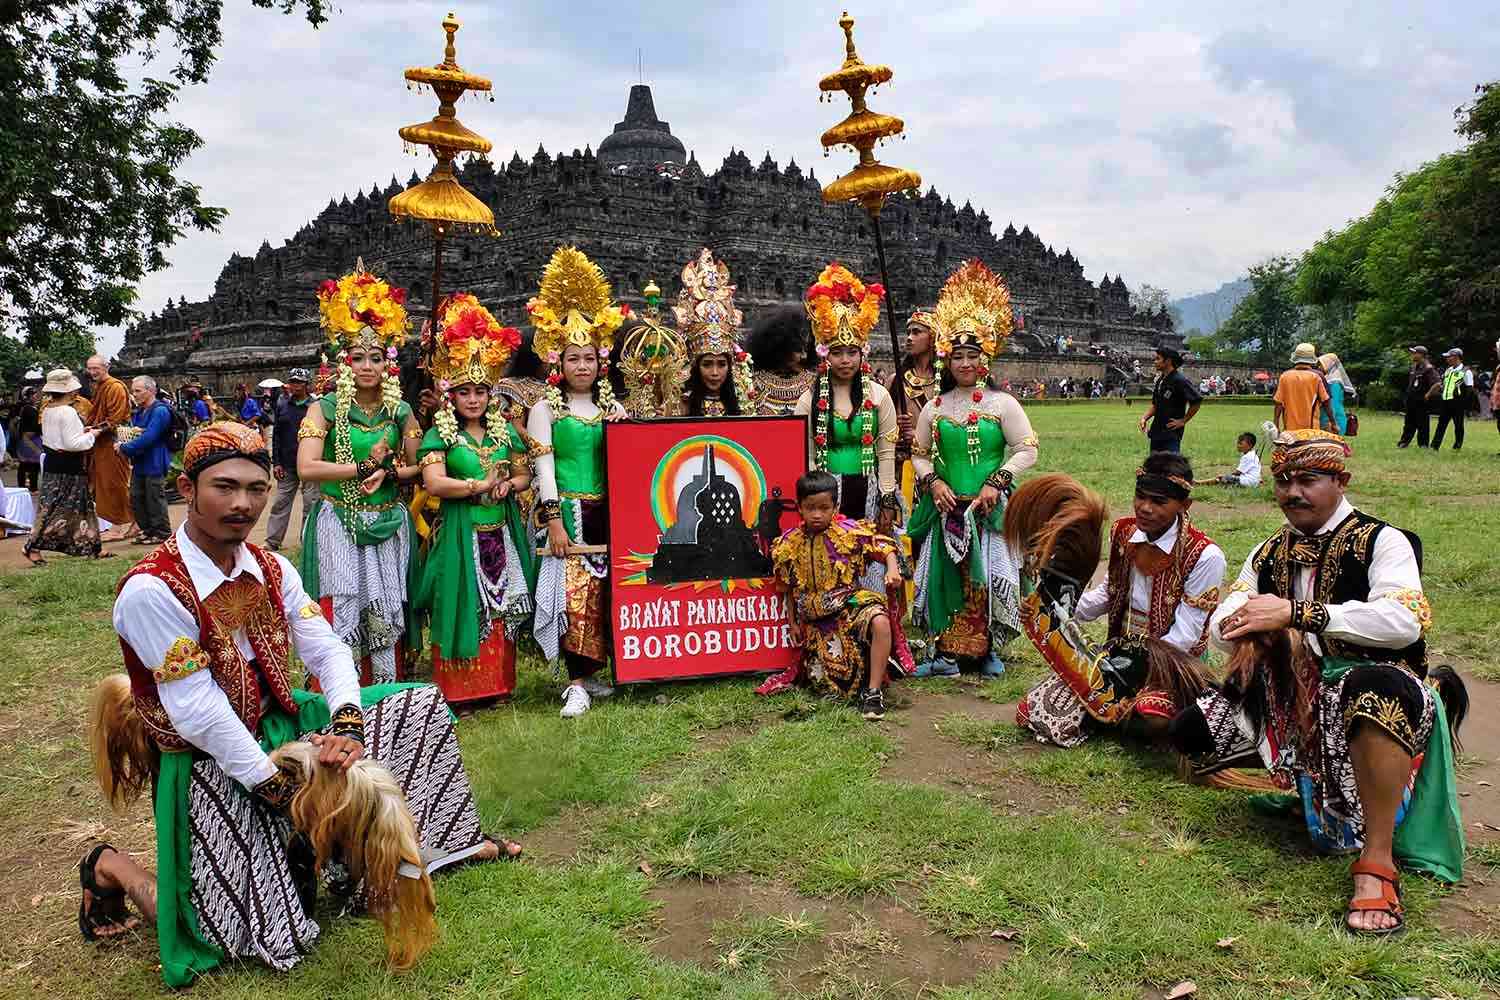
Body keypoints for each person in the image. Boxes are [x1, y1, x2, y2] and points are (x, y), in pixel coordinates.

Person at [80, 422, 514, 986]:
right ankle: (110, 867)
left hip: (281, 717)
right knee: (245, 935)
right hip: (209, 754)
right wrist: (277, 787)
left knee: (418, 702)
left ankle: (406, 857)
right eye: (224, 487)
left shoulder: (271, 566)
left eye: (257, 489)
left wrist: (347, 724)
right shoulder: (151, 589)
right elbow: (198, 712)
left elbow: (325, 646)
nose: (242, 504)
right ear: (187, 489)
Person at [1168, 429, 1466, 935]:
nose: (1292, 492)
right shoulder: (1268, 552)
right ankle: (1301, 779)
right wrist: (1251, 624)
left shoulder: (1382, 540)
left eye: (1308, 479)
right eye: (1283, 481)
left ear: (1341, 480)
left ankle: (1376, 864)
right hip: (1290, 693)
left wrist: (1298, 614)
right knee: (1191, 732)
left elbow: (1405, 621)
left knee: (1373, 691)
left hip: (1374, 691)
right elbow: (1222, 624)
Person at [1015, 454, 1224, 746]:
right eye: (1140, 496)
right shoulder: (1123, 531)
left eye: (1159, 502)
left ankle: (1124, 715)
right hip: (1115, 656)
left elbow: (1184, 637)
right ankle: (1114, 716)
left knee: (1152, 712)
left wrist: (1129, 673)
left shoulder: (1205, 555)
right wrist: (1060, 607)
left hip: (1170, 663)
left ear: (1184, 506)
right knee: (1035, 710)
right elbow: (1107, 594)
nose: (1145, 508)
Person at [909, 260, 1039, 677]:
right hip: (946, 505)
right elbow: (919, 452)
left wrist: (997, 483)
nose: (965, 364)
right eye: (958, 356)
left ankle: (987, 649)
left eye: (973, 356)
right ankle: (945, 652)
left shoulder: (1003, 405)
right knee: (945, 575)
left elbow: (1027, 448)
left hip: (989, 506)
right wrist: (932, 482)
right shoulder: (935, 407)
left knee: (989, 577)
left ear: (986, 359)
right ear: (947, 361)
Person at [297, 266, 424, 684]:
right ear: (343, 362)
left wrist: (390, 470)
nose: (367, 366)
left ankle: (386, 687)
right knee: (345, 602)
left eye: (375, 357)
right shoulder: (325, 408)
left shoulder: (400, 411)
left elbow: (415, 468)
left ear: (388, 361)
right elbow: (307, 467)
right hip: (340, 517)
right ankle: (345, 690)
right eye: (357, 358)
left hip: (387, 518)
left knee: (386, 603)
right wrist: (362, 467)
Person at [414, 293, 537, 704]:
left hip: (500, 531)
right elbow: (433, 483)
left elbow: (523, 475)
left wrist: (508, 486)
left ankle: (498, 685)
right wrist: (479, 486)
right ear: (452, 395)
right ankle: (460, 692)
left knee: (499, 609)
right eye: (464, 391)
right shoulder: (441, 434)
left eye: (480, 392)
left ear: (490, 394)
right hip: (459, 534)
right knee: (460, 602)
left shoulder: (504, 433)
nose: (473, 399)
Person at [526, 246, 629, 719]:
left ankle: (600, 672)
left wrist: (624, 424)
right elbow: (543, 468)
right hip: (567, 509)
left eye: (589, 357)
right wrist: (553, 521)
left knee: (609, 592)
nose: (582, 366)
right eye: (574, 358)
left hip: (610, 509)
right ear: (558, 363)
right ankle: (575, 681)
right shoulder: (546, 410)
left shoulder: (612, 409)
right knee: (574, 596)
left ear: (600, 361)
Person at [770, 470, 904, 721]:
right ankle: (871, 665)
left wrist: (893, 569)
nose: (817, 514)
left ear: (835, 506)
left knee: (880, 620)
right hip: (816, 619)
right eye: (810, 508)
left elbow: (884, 546)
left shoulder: (850, 532)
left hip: (850, 604)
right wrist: (792, 623)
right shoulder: (789, 543)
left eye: (824, 507)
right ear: (799, 507)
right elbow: (786, 588)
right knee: (827, 688)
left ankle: (874, 693)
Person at [793, 263, 901, 533]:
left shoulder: (878, 396)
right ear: (825, 355)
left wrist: (887, 497)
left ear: (862, 353)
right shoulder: (810, 399)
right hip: (823, 498)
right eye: (837, 352)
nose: (845, 360)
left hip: (869, 492)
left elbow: (886, 452)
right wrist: (816, 499)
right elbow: (804, 454)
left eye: (852, 352)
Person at [22, 370, 112, 565]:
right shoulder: (67, 411)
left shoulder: (48, 410)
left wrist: (83, 432)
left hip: (54, 463)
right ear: (69, 391)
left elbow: (60, 438)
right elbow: (74, 444)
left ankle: (92, 546)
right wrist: (93, 435)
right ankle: (31, 545)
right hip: (68, 465)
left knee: (61, 506)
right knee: (64, 508)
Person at [676, 248, 756, 417]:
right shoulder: (678, 405)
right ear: (694, 366)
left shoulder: (746, 404)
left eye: (721, 364)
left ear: (731, 365)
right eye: (707, 364)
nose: (714, 373)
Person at [263, 369, 317, 550]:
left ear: (307, 385)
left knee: (310, 504)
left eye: (299, 382)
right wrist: (276, 462)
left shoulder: (315, 406)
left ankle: (307, 541)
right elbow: (277, 434)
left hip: (310, 463)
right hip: (287, 463)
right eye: (292, 382)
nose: (295, 385)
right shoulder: (282, 404)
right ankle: (272, 541)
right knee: (281, 503)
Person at [84, 354, 136, 540]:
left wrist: (97, 430)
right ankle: (133, 523)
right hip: (101, 444)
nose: (92, 372)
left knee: (116, 484)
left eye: (95, 368)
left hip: (113, 443)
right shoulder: (99, 387)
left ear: (106, 367)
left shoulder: (115, 387)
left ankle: (117, 527)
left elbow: (116, 418)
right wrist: (92, 428)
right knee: (104, 484)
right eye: (89, 369)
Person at [118, 376, 174, 544]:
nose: (134, 394)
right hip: (141, 461)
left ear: (150, 391)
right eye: (133, 391)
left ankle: (162, 532)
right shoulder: (141, 411)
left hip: (155, 460)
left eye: (138, 391)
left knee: (154, 496)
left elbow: (150, 437)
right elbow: (139, 433)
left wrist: (124, 448)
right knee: (136, 496)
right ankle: (147, 530)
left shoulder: (160, 411)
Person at [748, 305, 816, 417]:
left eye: (806, 349)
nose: (804, 356)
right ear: (779, 349)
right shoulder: (753, 383)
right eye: (797, 350)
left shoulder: (816, 382)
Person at [1138, 345, 1201, 453]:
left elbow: (1196, 401)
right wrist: (1145, 418)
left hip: (1171, 432)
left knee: (1172, 465)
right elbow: (1155, 404)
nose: (1154, 361)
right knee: (1155, 465)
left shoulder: (1180, 380)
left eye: (1158, 358)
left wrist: (1183, 420)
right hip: (1157, 430)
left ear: (1168, 361)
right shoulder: (1160, 380)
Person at [1274, 343, 1332, 432]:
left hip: (1290, 429)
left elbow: (1279, 403)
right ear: (1311, 359)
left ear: (1296, 358)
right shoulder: (1317, 376)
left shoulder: (1285, 376)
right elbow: (1326, 402)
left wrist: (1276, 424)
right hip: (1311, 429)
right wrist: (1333, 423)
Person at [1398, 345, 1439, 448]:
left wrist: (1428, 394)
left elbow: (1437, 384)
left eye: (1414, 353)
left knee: (1423, 423)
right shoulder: (1413, 367)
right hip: (1411, 399)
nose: (1412, 355)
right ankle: (1404, 442)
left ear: (1421, 355)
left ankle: (1423, 444)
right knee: (1408, 422)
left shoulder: (1428, 368)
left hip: (1421, 401)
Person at [1431, 347, 1470, 451]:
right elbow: (1443, 383)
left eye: (1449, 357)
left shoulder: (1466, 371)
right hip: (1446, 401)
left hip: (1458, 403)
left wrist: (1464, 403)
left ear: (1456, 357)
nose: (1447, 359)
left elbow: (1470, 389)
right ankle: (1434, 446)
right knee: (1441, 425)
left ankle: (1457, 446)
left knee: (1458, 426)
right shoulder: (1448, 370)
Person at [1319, 353, 1357, 434]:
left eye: (1322, 364)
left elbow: (1333, 404)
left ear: (1328, 365)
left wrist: (1331, 423)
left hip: (1334, 422)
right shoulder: (1330, 379)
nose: (1319, 367)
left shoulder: (1334, 382)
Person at [14, 386, 42, 491]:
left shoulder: (31, 408)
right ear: (28, 396)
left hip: (31, 438)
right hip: (29, 439)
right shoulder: (28, 409)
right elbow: (34, 425)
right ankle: (30, 487)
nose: (37, 396)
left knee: (29, 463)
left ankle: (27, 486)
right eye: (34, 394)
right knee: (30, 463)